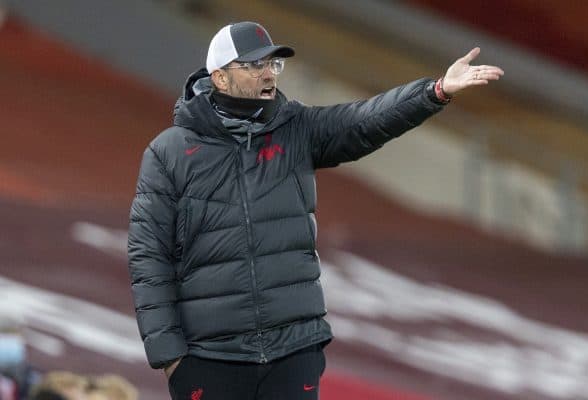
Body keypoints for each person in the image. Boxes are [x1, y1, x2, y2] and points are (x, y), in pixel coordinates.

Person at [127, 21, 503, 400]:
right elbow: (148, 256)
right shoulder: (169, 152)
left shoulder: (297, 128)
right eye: (255, 66)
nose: (268, 74)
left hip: (292, 351)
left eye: (273, 65)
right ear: (220, 78)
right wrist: (169, 357)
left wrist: (434, 91)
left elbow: (365, 119)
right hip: (210, 357)